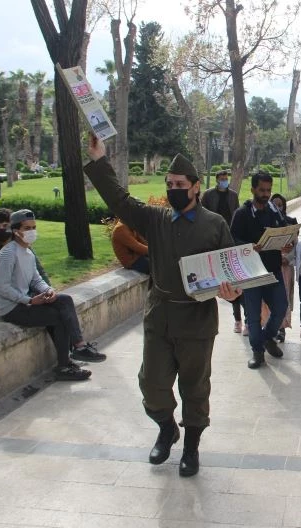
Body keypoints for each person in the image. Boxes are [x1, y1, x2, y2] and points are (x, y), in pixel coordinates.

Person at [85, 136, 240, 477]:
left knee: (195, 388)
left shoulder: (215, 224)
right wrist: (99, 162)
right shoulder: (154, 219)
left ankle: (191, 448)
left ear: (196, 187)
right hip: (160, 314)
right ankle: (167, 428)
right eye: (169, 185)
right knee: (152, 383)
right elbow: (120, 200)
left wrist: (232, 294)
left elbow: (231, 271)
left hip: (197, 319)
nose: (173, 190)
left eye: (180, 185)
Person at [0, 209, 106, 383]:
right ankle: (64, 366)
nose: (32, 231)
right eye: (27, 228)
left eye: (34, 227)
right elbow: (1, 286)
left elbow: (36, 279)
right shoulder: (8, 253)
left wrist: (48, 290)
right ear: (16, 231)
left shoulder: (28, 252)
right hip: (12, 308)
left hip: (27, 302)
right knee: (58, 317)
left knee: (65, 300)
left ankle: (79, 347)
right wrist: (29, 300)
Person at [230, 171, 292, 369]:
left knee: (281, 307)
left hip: (273, 270)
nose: (266, 194)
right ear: (253, 190)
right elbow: (232, 240)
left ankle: (267, 338)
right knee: (253, 315)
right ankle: (257, 352)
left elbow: (284, 230)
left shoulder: (274, 211)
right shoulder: (241, 214)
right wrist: (249, 247)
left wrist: (287, 243)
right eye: (262, 190)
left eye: (268, 190)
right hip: (251, 273)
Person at [201, 169, 245, 333]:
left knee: (233, 281)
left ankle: (239, 319)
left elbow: (237, 214)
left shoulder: (233, 195)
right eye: (222, 179)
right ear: (216, 180)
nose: (224, 181)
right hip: (213, 239)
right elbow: (202, 215)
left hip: (230, 239)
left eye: (226, 178)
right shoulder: (208, 195)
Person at [271, 193, 297, 342]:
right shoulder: (265, 223)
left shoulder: (290, 222)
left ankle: (282, 329)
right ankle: (271, 328)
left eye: (280, 205)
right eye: (274, 204)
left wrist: (287, 258)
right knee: (270, 298)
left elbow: (295, 246)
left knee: (284, 297)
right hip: (270, 265)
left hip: (286, 267)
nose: (277, 207)